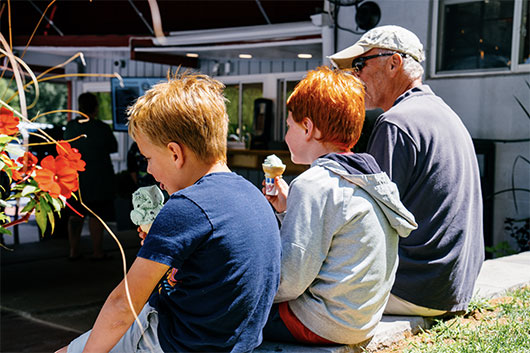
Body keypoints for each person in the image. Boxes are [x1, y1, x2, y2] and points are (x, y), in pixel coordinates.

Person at [56, 71, 281, 353]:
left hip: (176, 343)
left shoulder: (186, 207)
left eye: (149, 158)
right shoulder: (252, 195)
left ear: (175, 153)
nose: (148, 169)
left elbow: (123, 304)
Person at [329, 25, 484, 316]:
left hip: (416, 290)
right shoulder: (444, 113)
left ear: (393, 63)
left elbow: (367, 223)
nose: (356, 75)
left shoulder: (396, 123)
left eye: (360, 64)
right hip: (453, 287)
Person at [262, 66, 417, 346]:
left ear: (308, 127)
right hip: (361, 321)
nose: (286, 135)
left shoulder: (313, 184)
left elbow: (290, 280)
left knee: (227, 310)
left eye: (289, 125)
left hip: (321, 322)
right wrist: (288, 209)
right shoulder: (367, 177)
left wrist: (247, 290)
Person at [64, 92, 118, 260]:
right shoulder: (102, 128)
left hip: (75, 180)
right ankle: (97, 251)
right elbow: (113, 147)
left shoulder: (71, 127)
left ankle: (73, 251)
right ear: (96, 108)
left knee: (75, 216)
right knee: (96, 216)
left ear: (79, 108)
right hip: (99, 179)